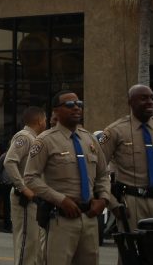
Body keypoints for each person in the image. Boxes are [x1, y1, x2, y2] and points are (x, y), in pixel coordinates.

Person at [24, 90, 110, 264]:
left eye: (79, 104)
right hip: (61, 219)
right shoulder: (45, 141)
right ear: (56, 111)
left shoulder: (90, 140)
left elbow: (103, 174)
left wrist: (104, 199)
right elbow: (30, 178)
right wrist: (60, 200)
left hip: (90, 218)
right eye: (70, 105)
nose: (76, 108)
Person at [99, 84, 153, 234]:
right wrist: (113, 204)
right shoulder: (115, 131)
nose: (150, 102)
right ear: (130, 102)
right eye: (143, 98)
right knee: (131, 254)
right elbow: (96, 171)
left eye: (152, 98)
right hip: (131, 203)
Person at [4, 106, 46, 265]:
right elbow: (9, 161)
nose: (46, 123)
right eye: (45, 120)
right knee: (26, 245)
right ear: (39, 121)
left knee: (34, 244)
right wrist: (23, 188)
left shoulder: (35, 138)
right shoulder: (24, 137)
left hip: (35, 198)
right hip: (25, 199)